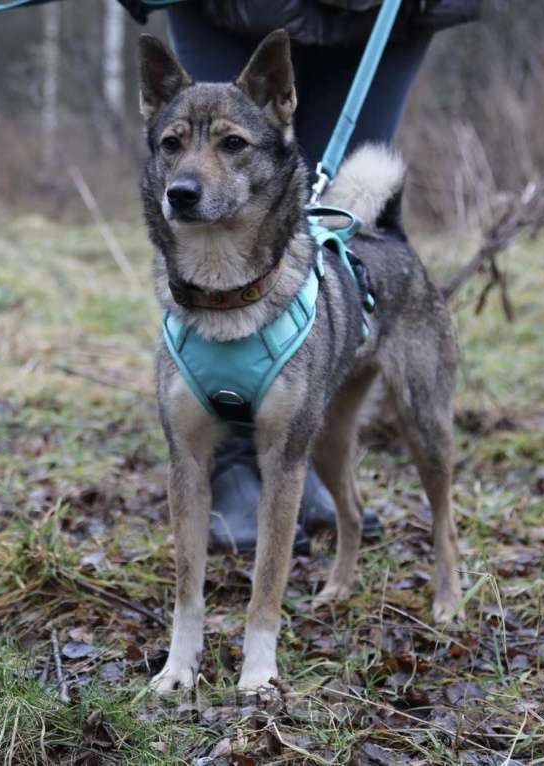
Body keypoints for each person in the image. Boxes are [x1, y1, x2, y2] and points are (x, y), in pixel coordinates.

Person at [118, 0, 480, 554]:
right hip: (228, 7)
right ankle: (237, 472)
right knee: (216, 146)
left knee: (348, 227)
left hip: (384, 12)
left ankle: (294, 462)